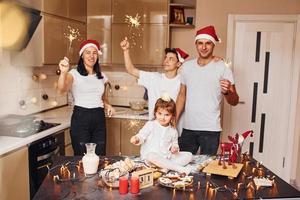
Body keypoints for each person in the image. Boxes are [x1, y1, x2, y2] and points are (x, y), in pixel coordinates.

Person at [176, 25, 239, 155]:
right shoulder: (187, 67)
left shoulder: (223, 68)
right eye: (200, 43)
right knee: (182, 165)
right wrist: (173, 120)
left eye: (208, 43)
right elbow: (182, 95)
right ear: (196, 44)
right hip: (188, 128)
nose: (204, 47)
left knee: (206, 170)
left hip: (211, 130)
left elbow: (234, 101)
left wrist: (227, 92)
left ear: (213, 45)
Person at [57, 39, 114, 156]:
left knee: (100, 156)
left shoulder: (102, 76)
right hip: (81, 118)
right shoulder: (73, 74)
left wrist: (108, 105)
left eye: (94, 53)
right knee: (82, 157)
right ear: (82, 55)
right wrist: (63, 73)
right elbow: (62, 89)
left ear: (97, 56)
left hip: (99, 118)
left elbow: (103, 98)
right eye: (88, 52)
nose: (91, 56)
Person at [120, 37, 189, 120]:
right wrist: (125, 50)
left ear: (178, 64)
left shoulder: (182, 82)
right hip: (154, 129)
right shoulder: (153, 78)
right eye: (165, 58)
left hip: (174, 129)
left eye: (171, 59)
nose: (166, 61)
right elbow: (130, 70)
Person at [130, 96, 193, 175]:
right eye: (160, 113)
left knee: (189, 155)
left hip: (166, 157)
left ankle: (165, 167)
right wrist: (137, 139)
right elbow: (142, 136)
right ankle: (179, 168)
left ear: (172, 116)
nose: (162, 118)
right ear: (155, 113)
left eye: (167, 115)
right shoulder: (151, 125)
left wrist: (175, 148)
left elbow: (175, 143)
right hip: (151, 159)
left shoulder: (173, 131)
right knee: (151, 155)